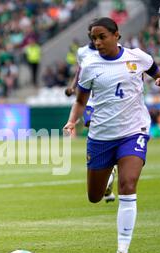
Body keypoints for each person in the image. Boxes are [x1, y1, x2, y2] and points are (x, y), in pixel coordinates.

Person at [63, 17, 160, 253]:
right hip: (101, 136)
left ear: (116, 35)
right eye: (94, 38)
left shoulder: (139, 58)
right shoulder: (90, 65)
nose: (97, 42)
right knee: (93, 197)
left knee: (129, 185)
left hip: (133, 132)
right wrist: (72, 122)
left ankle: (122, 251)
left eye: (102, 36)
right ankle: (108, 177)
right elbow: (81, 101)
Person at [65, 36, 116, 203]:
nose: (96, 40)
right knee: (91, 125)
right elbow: (80, 71)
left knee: (104, 133)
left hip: (106, 101)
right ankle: (108, 168)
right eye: (92, 35)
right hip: (89, 100)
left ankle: (109, 168)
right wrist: (73, 87)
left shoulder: (113, 51)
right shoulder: (82, 52)